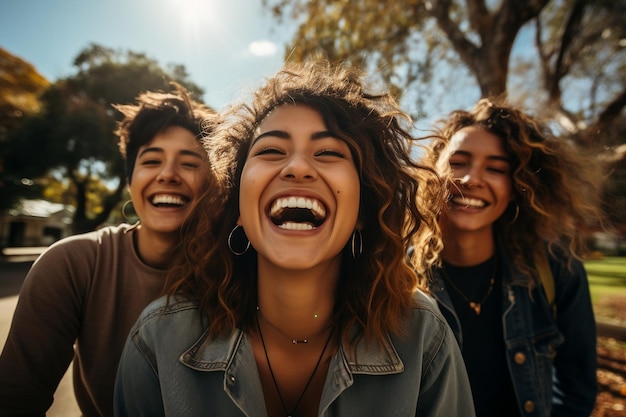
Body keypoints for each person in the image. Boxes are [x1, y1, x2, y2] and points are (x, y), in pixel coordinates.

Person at [113, 60, 475, 417]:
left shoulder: (425, 338)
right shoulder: (157, 340)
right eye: (271, 150)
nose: (298, 167)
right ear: (238, 204)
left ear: (364, 210)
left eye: (329, 152)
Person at [0, 83, 215, 417]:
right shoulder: (73, 264)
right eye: (151, 160)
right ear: (130, 179)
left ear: (213, 182)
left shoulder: (234, 271)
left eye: (189, 163)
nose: (168, 175)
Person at [427, 98, 603, 417]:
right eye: (458, 162)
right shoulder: (396, 276)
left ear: (517, 186)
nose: (471, 179)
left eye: (496, 168)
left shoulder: (556, 269)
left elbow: (577, 389)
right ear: (432, 172)